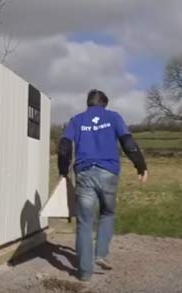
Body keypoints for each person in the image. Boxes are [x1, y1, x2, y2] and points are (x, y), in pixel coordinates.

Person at [58, 89, 148, 282]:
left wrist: (63, 170)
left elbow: (64, 146)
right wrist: (141, 166)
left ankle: (84, 273)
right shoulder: (113, 117)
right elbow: (128, 141)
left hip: (84, 172)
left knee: (85, 222)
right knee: (107, 213)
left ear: (88, 103)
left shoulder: (76, 120)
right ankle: (100, 254)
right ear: (104, 103)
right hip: (108, 172)